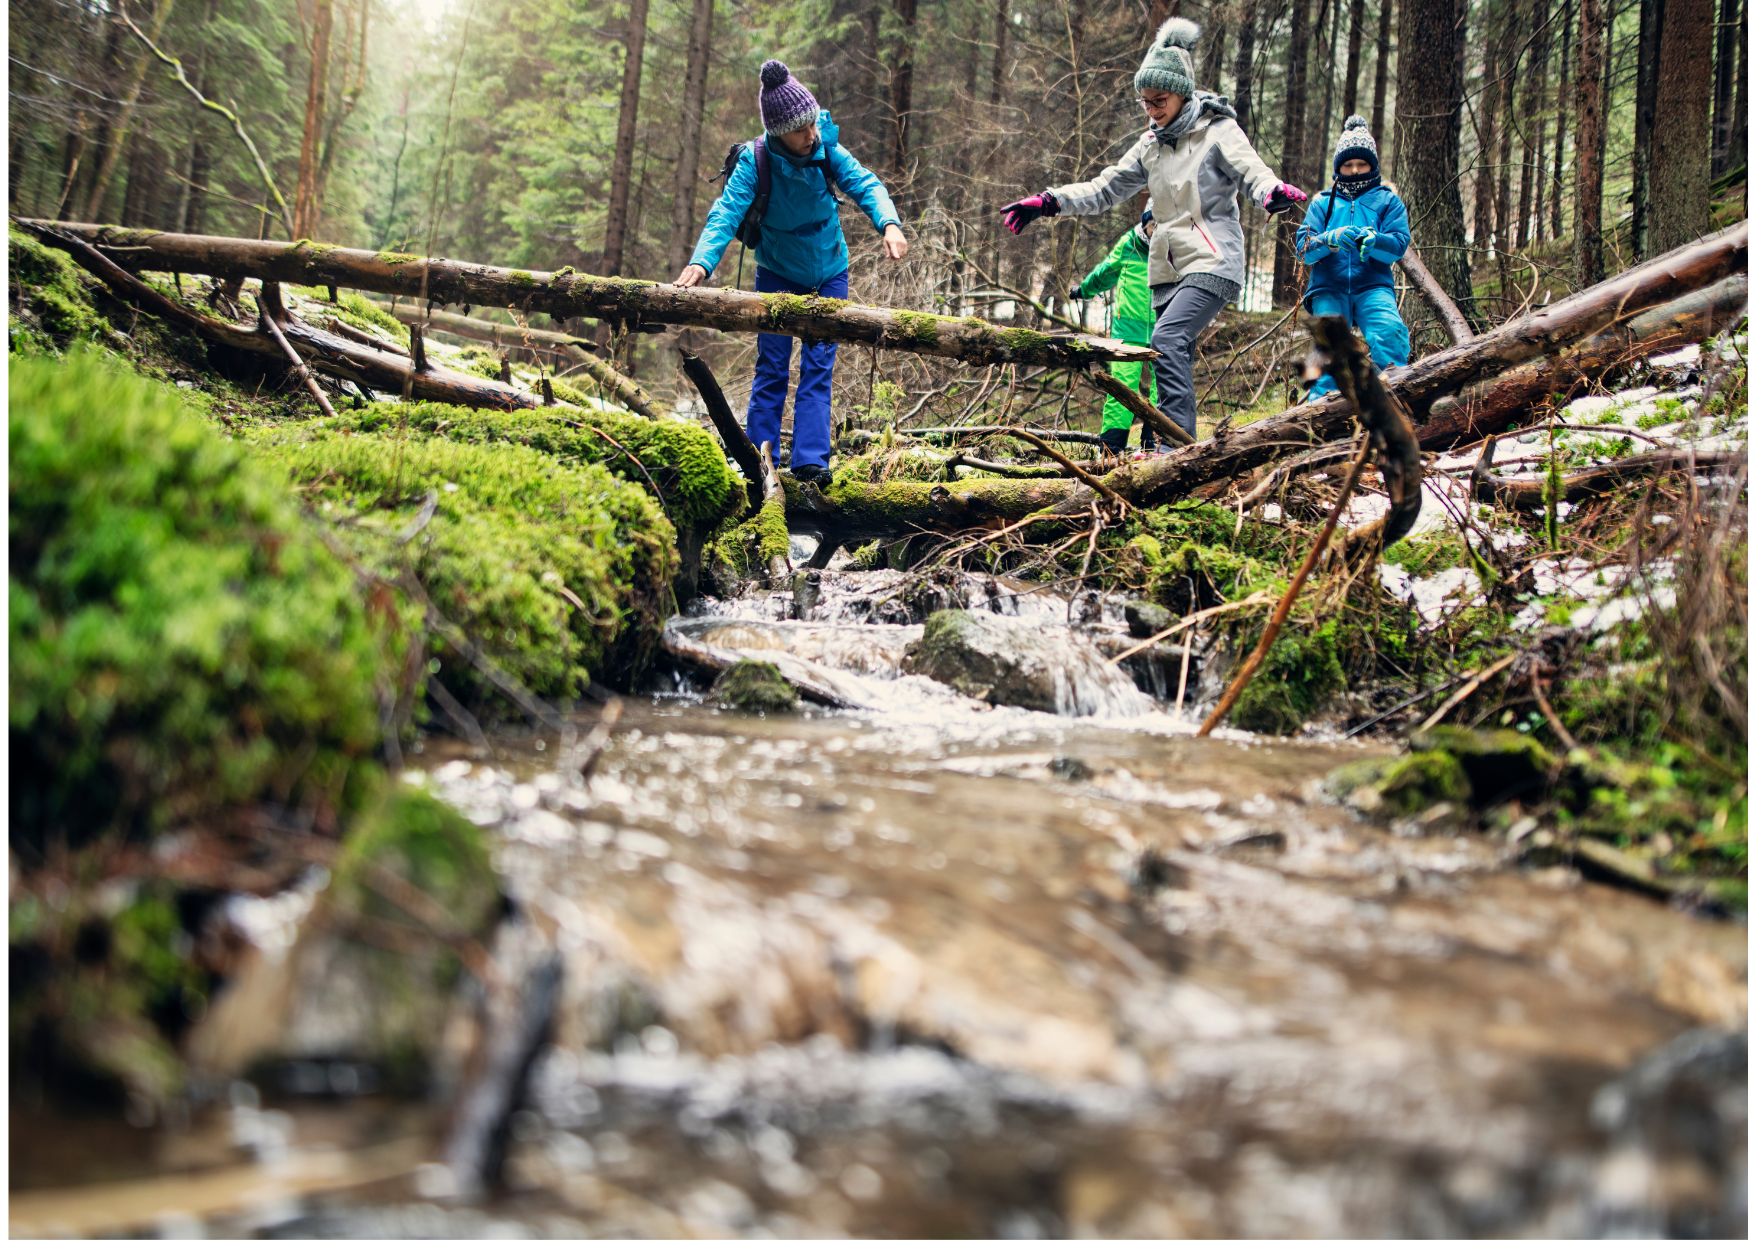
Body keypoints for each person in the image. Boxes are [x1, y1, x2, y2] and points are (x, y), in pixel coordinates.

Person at [998, 18, 1305, 442]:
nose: (1152, 110)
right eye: (1145, 102)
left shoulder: (1217, 130)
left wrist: (1271, 192)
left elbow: (1251, 170)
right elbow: (1104, 189)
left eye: (1160, 100)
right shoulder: (1150, 145)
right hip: (1166, 269)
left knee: (1167, 337)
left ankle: (1173, 448)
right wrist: (1050, 201)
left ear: (1183, 93)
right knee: (1170, 352)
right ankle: (1179, 445)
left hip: (1214, 259)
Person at [675, 60, 906, 486]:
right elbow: (726, 213)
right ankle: (759, 461)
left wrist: (888, 223)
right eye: (801, 130)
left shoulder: (827, 149)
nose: (811, 134)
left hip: (829, 273)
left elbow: (866, 184)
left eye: (813, 124)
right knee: (772, 368)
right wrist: (701, 261)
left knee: (818, 368)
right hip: (777, 273)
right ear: (778, 131)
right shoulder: (755, 161)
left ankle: (811, 464)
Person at [1295, 116, 1412, 398]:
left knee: (1390, 333)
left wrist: (1375, 240)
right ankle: (1322, 412)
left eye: (1362, 163)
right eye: (1348, 164)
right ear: (1339, 167)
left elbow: (1398, 244)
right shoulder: (1323, 202)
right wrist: (1330, 239)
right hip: (1329, 287)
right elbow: (1303, 248)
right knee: (1329, 352)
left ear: (1373, 165)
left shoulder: (1388, 200)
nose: (1355, 169)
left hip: (1373, 286)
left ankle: (1397, 398)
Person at [1069, 209, 1166, 456]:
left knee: (1164, 387)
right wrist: (1085, 290)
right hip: (1128, 329)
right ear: (1145, 224)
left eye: (1162, 224)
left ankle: (1154, 444)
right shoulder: (1129, 245)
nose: (1156, 231)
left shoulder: (1174, 246)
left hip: (1164, 328)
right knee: (1122, 388)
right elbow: (1106, 271)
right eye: (1153, 225)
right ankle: (1111, 448)